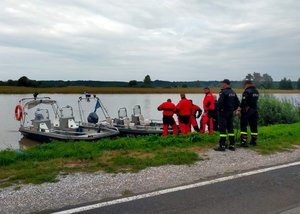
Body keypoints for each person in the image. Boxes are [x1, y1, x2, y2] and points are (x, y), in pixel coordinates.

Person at [215, 79, 240, 151]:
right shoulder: (233, 92)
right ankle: (232, 145)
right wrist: (233, 109)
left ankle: (222, 146)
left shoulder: (224, 92)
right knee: (230, 129)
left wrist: (219, 110)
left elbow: (219, 103)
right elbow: (237, 103)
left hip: (223, 113)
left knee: (222, 129)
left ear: (225, 84)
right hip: (230, 113)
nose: (222, 85)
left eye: (222, 83)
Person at [237, 80, 259, 146]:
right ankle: (253, 141)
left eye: (244, 85)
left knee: (243, 125)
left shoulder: (247, 91)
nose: (244, 86)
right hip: (254, 110)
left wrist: (239, 109)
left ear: (247, 84)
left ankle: (243, 141)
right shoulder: (256, 91)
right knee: (254, 126)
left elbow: (244, 101)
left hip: (246, 110)